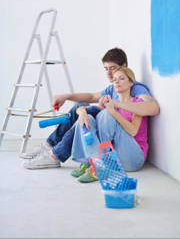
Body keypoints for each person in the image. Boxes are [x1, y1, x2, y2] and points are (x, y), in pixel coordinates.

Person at [22, 48, 159, 177]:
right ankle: (50, 146)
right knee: (82, 109)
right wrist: (67, 97)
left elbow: (153, 107)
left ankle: (56, 154)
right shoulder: (113, 88)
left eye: (113, 68)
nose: (110, 74)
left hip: (130, 149)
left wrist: (114, 105)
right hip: (117, 141)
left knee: (98, 112)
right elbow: (91, 96)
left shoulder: (135, 88)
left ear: (125, 67)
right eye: (106, 69)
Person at [71, 67, 149, 182]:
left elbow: (133, 131)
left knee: (107, 114)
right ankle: (90, 162)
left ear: (131, 82)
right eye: (114, 80)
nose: (116, 82)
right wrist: (82, 112)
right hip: (116, 158)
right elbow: (83, 108)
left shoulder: (137, 103)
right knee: (87, 119)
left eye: (121, 78)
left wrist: (112, 111)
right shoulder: (110, 102)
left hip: (134, 158)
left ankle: (100, 165)